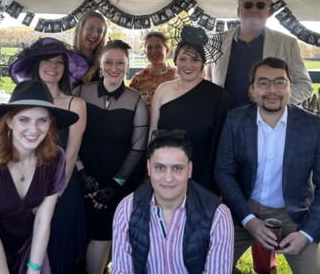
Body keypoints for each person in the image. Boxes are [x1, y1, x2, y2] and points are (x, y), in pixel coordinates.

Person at [214, 57, 320, 274]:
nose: (272, 90)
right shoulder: (235, 120)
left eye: (280, 82)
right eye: (263, 83)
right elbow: (223, 172)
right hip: (243, 208)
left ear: (291, 87)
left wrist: (307, 234)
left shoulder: (313, 126)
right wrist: (248, 220)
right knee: (205, 262)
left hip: (293, 214)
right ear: (252, 89)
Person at [0, 80, 79, 274]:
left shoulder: (55, 159)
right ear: (9, 121)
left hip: (28, 252)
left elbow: (42, 221)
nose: (34, 129)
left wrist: (34, 268)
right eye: (24, 119)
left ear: (50, 123)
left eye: (42, 120)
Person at [9, 37, 90, 274]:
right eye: (47, 60)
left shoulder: (76, 104)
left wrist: (51, 196)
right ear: (36, 64)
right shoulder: (21, 99)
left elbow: (72, 153)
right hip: (24, 188)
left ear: (65, 69)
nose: (53, 66)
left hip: (62, 188)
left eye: (59, 62)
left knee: (57, 253)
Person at [74, 40, 149, 274]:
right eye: (108, 62)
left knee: (102, 234)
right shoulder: (81, 92)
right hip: (81, 176)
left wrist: (114, 186)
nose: (114, 68)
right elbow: (70, 137)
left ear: (128, 66)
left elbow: (138, 148)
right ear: (100, 63)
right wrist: (81, 172)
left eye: (120, 63)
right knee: (80, 233)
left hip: (118, 181)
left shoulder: (136, 100)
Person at [112, 131, 234, 273]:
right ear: (148, 168)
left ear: (189, 170)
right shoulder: (127, 209)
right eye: (159, 167)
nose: (168, 178)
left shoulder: (218, 215)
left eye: (177, 168)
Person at [150, 25, 231, 194]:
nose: (189, 65)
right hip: (165, 175)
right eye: (183, 59)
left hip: (203, 178)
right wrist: (152, 169)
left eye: (195, 59)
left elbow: (221, 146)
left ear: (202, 63)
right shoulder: (162, 90)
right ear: (175, 60)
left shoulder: (218, 96)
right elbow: (152, 134)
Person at [206, 0, 312, 107]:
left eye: (260, 5)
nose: (254, 10)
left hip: (266, 122)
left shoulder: (288, 43)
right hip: (222, 120)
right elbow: (209, 81)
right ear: (238, 11)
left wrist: (272, 100)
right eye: (248, 5)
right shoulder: (217, 41)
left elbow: (305, 86)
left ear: (268, 11)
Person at [129, 31, 178, 107]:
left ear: (167, 49)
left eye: (158, 47)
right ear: (145, 51)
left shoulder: (178, 76)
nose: (153, 51)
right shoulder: (137, 80)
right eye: (150, 47)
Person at [73, 10, 108, 83]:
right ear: (80, 30)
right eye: (90, 28)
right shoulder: (66, 60)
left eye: (100, 31)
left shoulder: (106, 63)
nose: (95, 34)